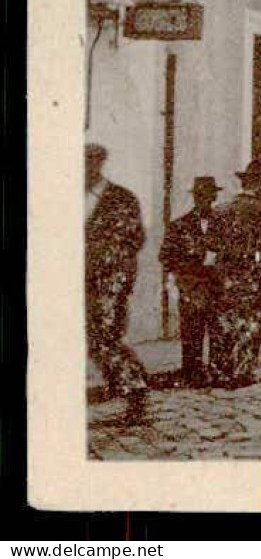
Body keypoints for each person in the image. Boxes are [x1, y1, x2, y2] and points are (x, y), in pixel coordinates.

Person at [85, 143, 149, 424]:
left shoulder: (122, 199)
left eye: (90, 162)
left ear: (100, 164)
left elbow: (135, 240)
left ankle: (135, 392)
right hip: (79, 280)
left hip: (108, 284)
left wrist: (116, 277)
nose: (85, 168)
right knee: (94, 341)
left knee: (105, 340)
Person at [209, 156, 261, 387]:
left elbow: (211, 242)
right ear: (260, 184)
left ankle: (220, 370)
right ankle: (243, 370)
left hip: (224, 272)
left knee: (223, 320)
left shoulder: (220, 210)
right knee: (250, 321)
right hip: (251, 273)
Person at [159, 175, 223, 386]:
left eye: (209, 196)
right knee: (192, 331)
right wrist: (185, 273)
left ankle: (215, 372)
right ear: (195, 198)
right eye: (201, 196)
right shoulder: (180, 225)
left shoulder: (223, 223)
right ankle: (192, 373)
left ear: (214, 197)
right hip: (192, 286)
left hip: (216, 285)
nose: (205, 200)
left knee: (217, 330)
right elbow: (165, 256)